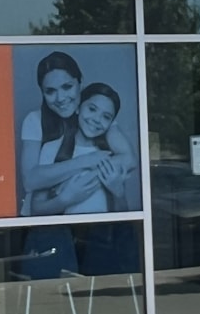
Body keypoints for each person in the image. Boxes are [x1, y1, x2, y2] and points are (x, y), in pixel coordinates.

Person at [19, 52, 135, 215]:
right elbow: (30, 180)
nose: (60, 98)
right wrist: (86, 162)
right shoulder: (35, 121)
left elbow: (129, 159)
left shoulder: (96, 118)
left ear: (80, 84)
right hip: (41, 219)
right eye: (50, 91)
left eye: (67, 87)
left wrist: (86, 179)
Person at [34, 83, 125, 214]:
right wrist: (65, 199)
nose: (97, 119)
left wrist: (118, 191)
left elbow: (124, 216)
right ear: (77, 108)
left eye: (106, 117)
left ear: (111, 124)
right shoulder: (51, 149)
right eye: (92, 109)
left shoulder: (111, 155)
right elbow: (36, 210)